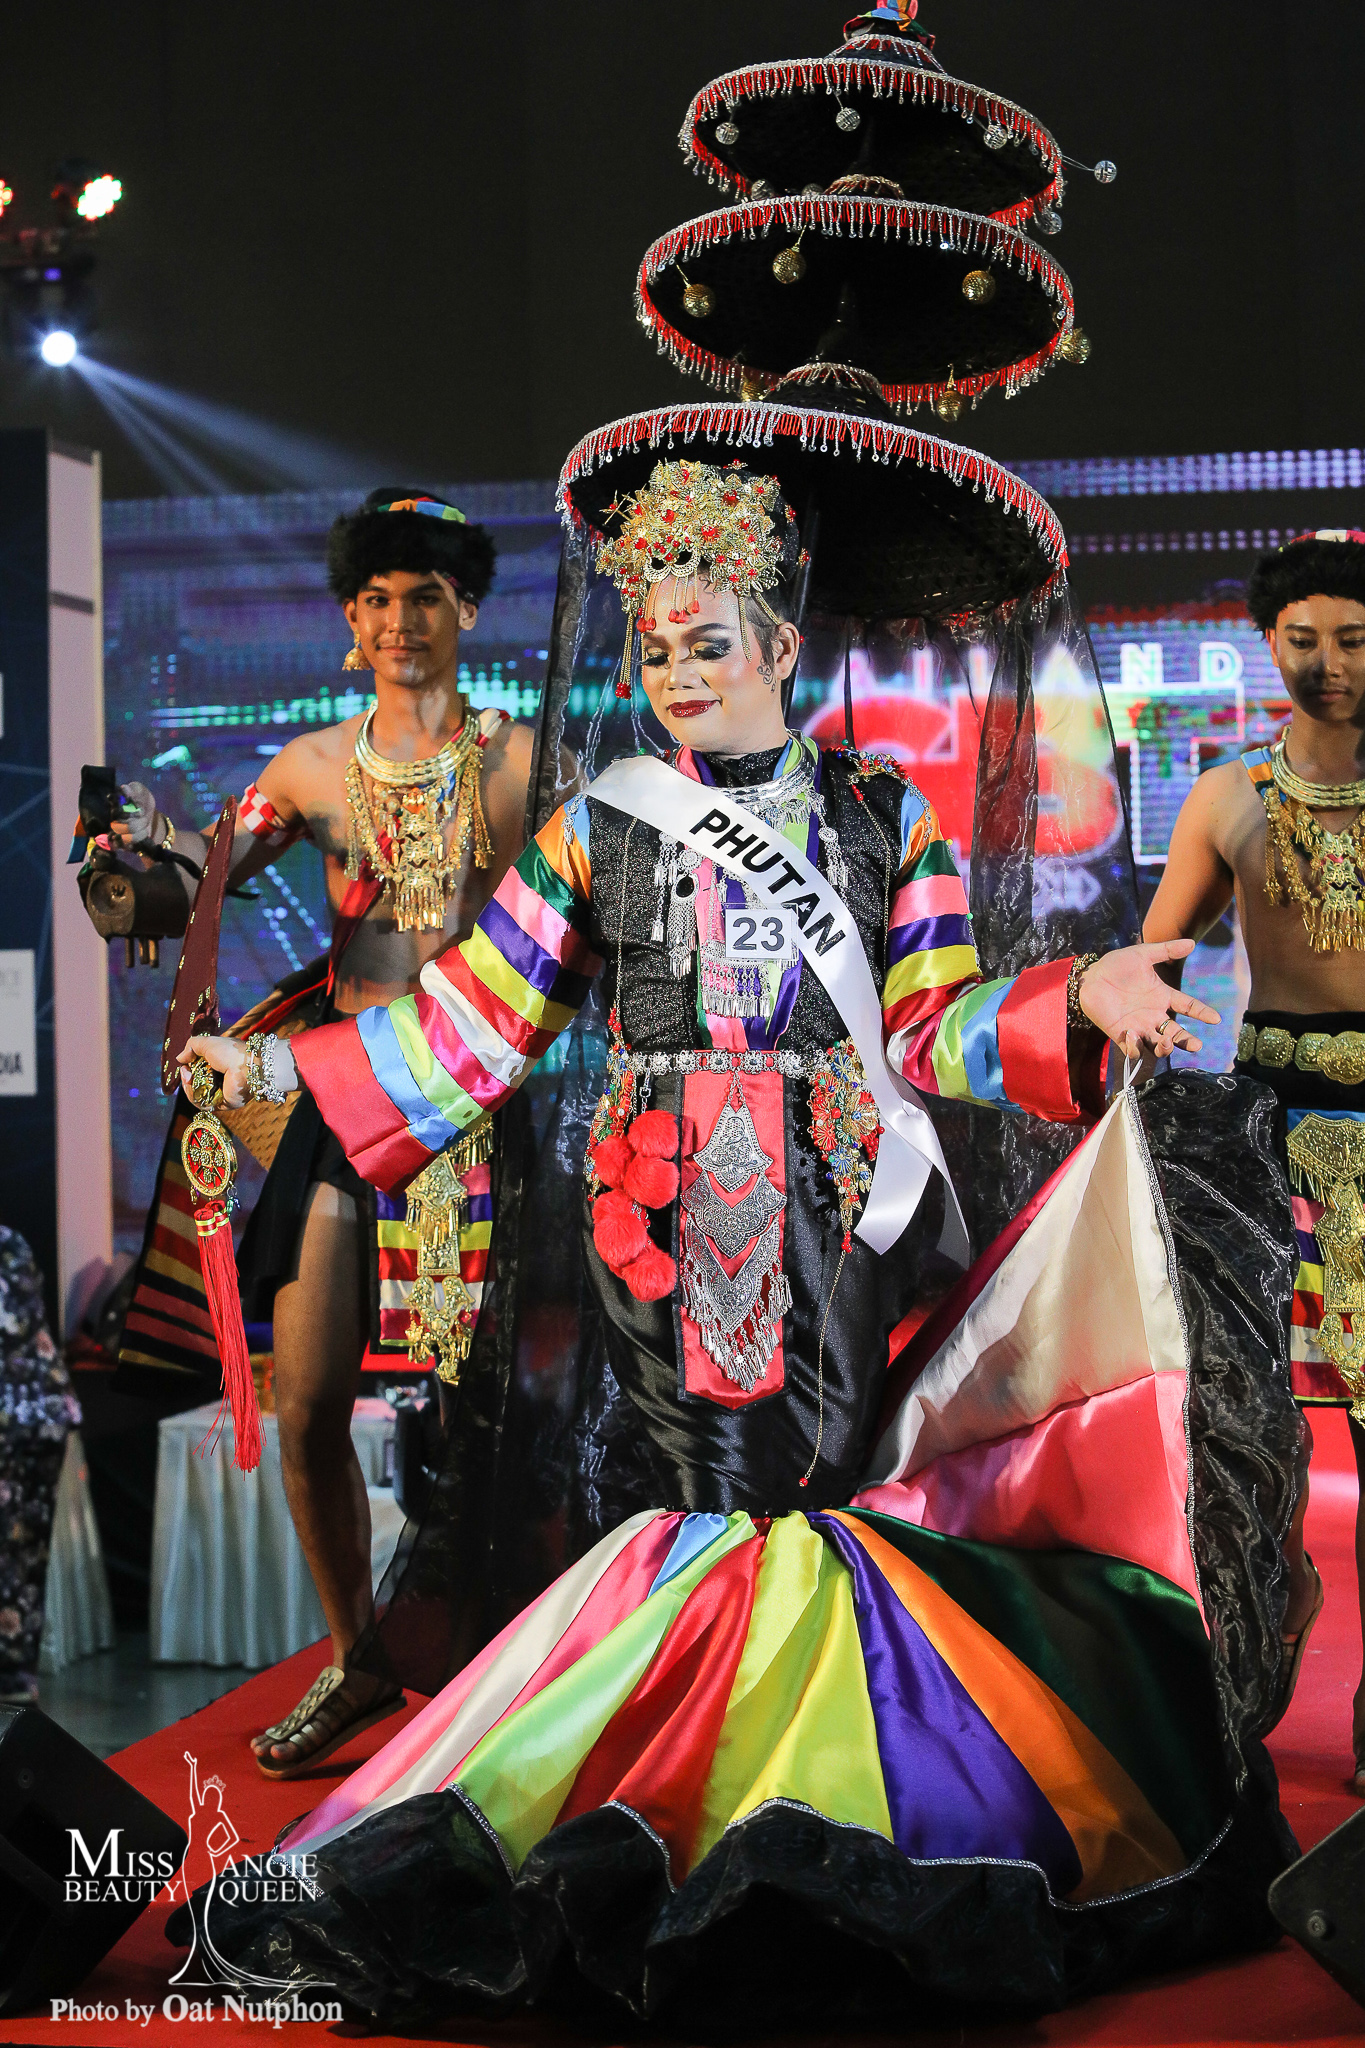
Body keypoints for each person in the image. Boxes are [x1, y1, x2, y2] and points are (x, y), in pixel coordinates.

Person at [175, 459, 1305, 2024]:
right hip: (660, 1208)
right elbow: (469, 1029)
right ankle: (712, 1829)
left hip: (835, 1203)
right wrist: (281, 1074)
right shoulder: (598, 828)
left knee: (815, 1504)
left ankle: (821, 1816)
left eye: (710, 643)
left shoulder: (881, 813)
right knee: (713, 1507)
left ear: (781, 645)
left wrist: (1077, 994)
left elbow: (933, 1024)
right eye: (657, 650)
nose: (680, 675)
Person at [111, 490, 536, 1777]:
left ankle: (499, 1677)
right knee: (304, 1402)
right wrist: (129, 865)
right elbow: (198, 874)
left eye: (424, 597)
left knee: (479, 1422)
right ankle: (357, 1656)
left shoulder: (522, 762)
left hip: (475, 1106)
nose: (400, 620)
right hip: (342, 1097)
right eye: (378, 599)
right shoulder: (308, 767)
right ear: (352, 620)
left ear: (466, 611)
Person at [1145, 527, 1365, 1776]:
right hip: (1269, 1138)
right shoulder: (1228, 796)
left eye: (1355, 639)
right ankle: (1256, 1648)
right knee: (1257, 1425)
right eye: (1304, 639)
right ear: (1267, 643)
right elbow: (1156, 961)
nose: (1328, 662)